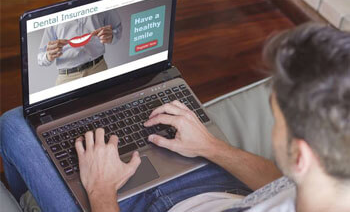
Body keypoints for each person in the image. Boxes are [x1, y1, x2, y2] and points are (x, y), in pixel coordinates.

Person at [1, 23, 350, 212]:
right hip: (221, 184)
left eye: (276, 119)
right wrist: (212, 147)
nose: (273, 125)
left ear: (301, 156)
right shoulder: (329, 188)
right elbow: (281, 182)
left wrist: (100, 189)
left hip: (125, 203)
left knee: (15, 124)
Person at [37, 10, 122, 85]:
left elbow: (117, 29)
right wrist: (48, 56)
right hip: (67, 79)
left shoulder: (99, 1)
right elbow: (40, 57)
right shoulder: (54, 13)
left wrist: (112, 36)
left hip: (98, 70)